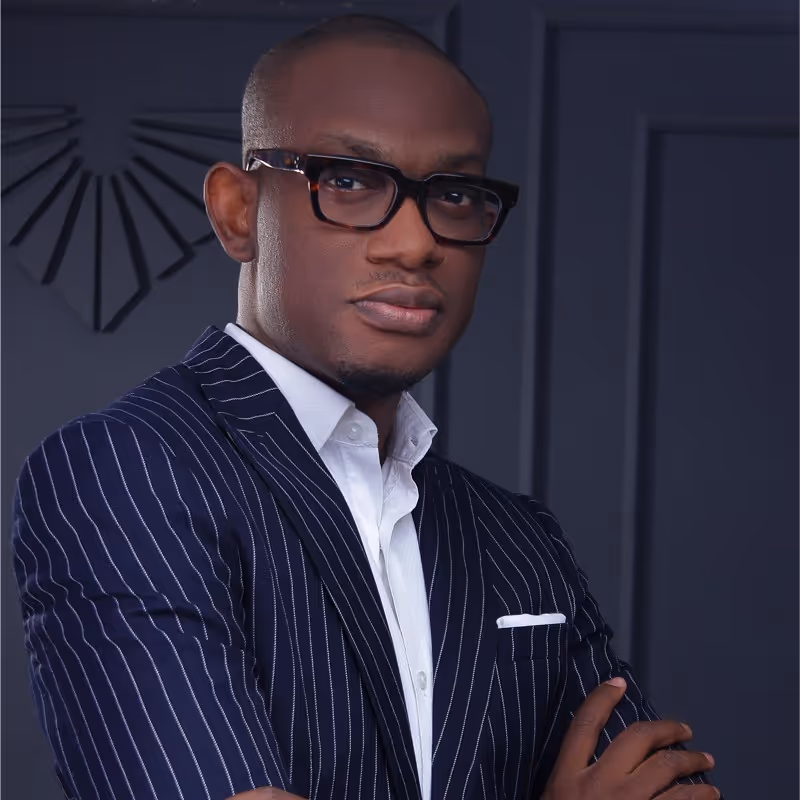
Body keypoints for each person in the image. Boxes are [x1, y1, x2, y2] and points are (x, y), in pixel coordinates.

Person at [12, 15, 721, 800]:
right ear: (238, 211)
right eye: (348, 181)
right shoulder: (121, 472)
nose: (414, 244)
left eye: (455, 194)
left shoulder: (519, 537)